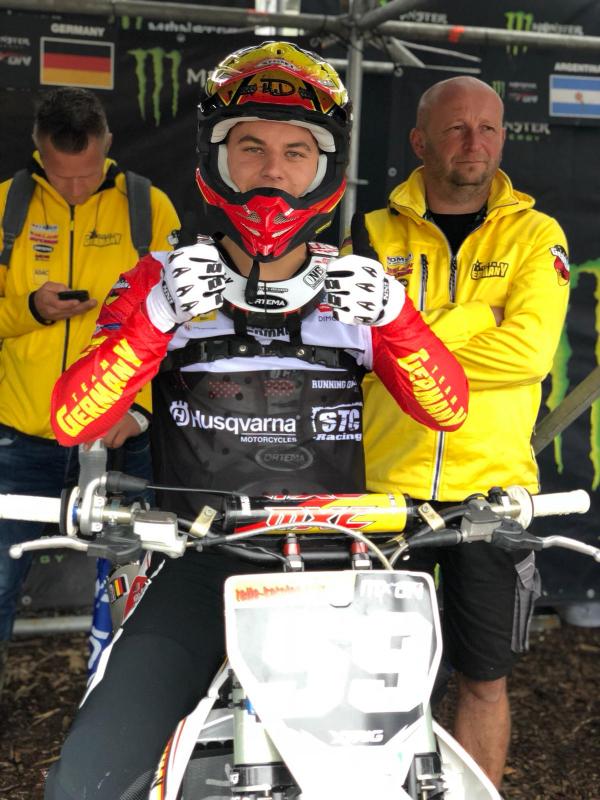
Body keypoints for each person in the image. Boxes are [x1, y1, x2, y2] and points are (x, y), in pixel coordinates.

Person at [45, 41, 468, 798]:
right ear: (217, 158)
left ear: (324, 167)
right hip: (200, 561)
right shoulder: (160, 278)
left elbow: (447, 408)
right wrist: (156, 317)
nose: (273, 170)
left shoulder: (361, 286)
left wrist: (399, 319)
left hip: (341, 568)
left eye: (295, 151)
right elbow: (75, 420)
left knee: (384, 780)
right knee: (84, 782)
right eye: (252, 147)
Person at [343, 76, 570, 787]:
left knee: (484, 680)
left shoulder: (537, 235)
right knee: (371, 679)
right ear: (419, 141)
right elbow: (359, 349)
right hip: (385, 487)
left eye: (489, 128)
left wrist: (408, 340)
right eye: (456, 128)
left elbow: (529, 353)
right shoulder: (369, 234)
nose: (476, 143)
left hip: (491, 491)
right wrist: (477, 319)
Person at [0, 87, 180, 693]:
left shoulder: (149, 208)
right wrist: (30, 309)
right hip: (20, 435)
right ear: (37, 148)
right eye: (60, 174)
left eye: (86, 173)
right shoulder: (6, 206)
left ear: (107, 144)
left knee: (134, 583)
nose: (75, 187)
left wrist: (139, 411)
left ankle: (128, 706)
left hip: (116, 437)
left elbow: (179, 323)